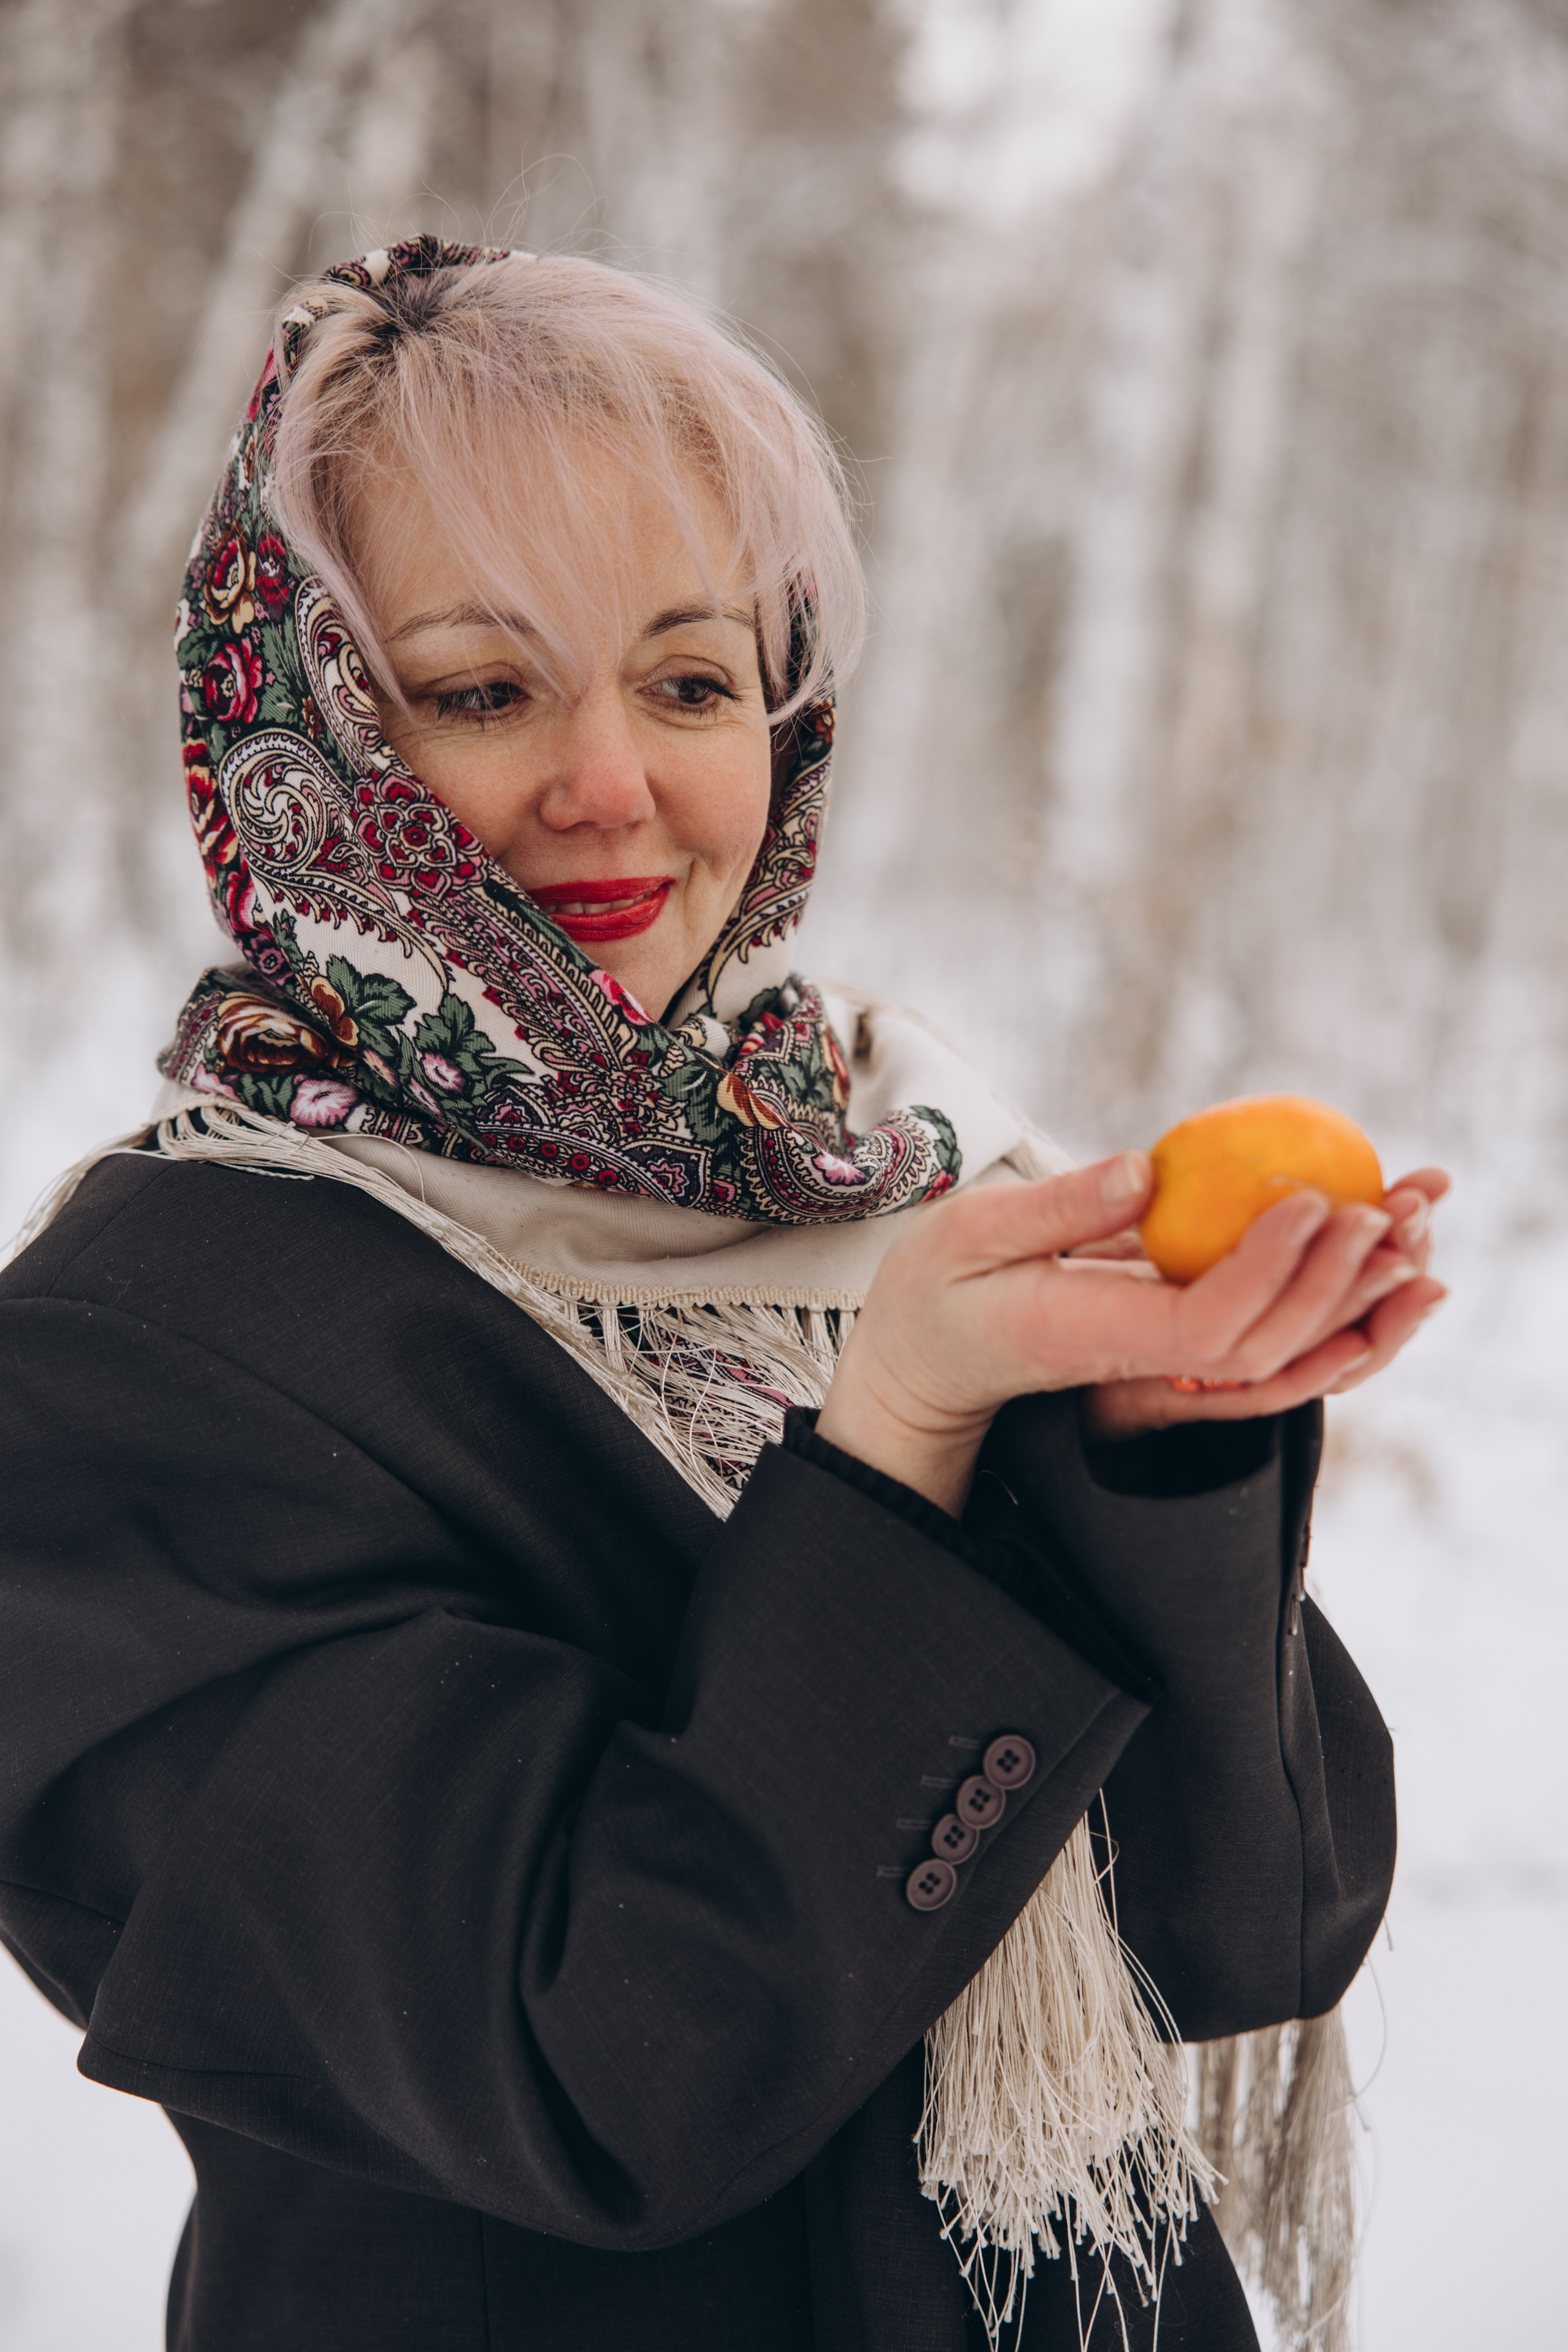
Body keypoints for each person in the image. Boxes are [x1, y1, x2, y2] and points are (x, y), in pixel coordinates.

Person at [0, 238, 1444, 2352]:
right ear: (300, 726)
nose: (617, 786)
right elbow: (609, 2076)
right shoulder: (138, 1364)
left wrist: (1152, 1457)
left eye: (688, 680)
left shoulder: (900, 1177)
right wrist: (899, 1444)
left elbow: (1254, 1928)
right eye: (485, 690)